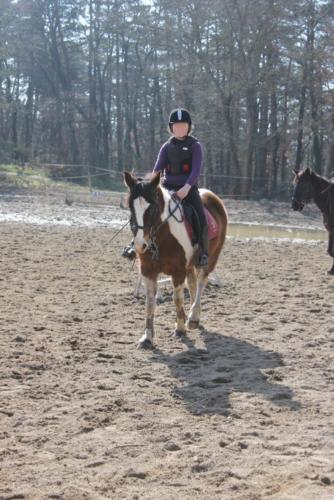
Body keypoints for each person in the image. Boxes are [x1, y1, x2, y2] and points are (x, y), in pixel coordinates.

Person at [122, 107, 208, 268]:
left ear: (189, 127)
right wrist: (149, 187)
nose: (180, 128)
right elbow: (157, 170)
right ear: (171, 127)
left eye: (183, 125)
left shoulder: (195, 146)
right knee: (145, 212)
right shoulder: (166, 147)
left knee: (200, 216)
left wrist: (186, 188)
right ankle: (135, 243)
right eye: (176, 126)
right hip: (166, 187)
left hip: (188, 190)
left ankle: (203, 253)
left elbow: (196, 171)